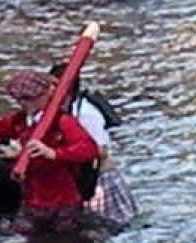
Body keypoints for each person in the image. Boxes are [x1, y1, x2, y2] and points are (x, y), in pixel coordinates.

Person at [0, 69, 99, 238]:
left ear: (46, 96)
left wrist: (53, 153)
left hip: (63, 201)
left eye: (29, 98)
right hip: (33, 200)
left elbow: (89, 149)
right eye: (20, 99)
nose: (23, 103)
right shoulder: (19, 121)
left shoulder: (63, 122)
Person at [49, 65, 138, 230]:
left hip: (100, 178)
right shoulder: (65, 111)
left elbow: (100, 149)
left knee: (112, 225)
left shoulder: (86, 113)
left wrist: (58, 153)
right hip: (83, 177)